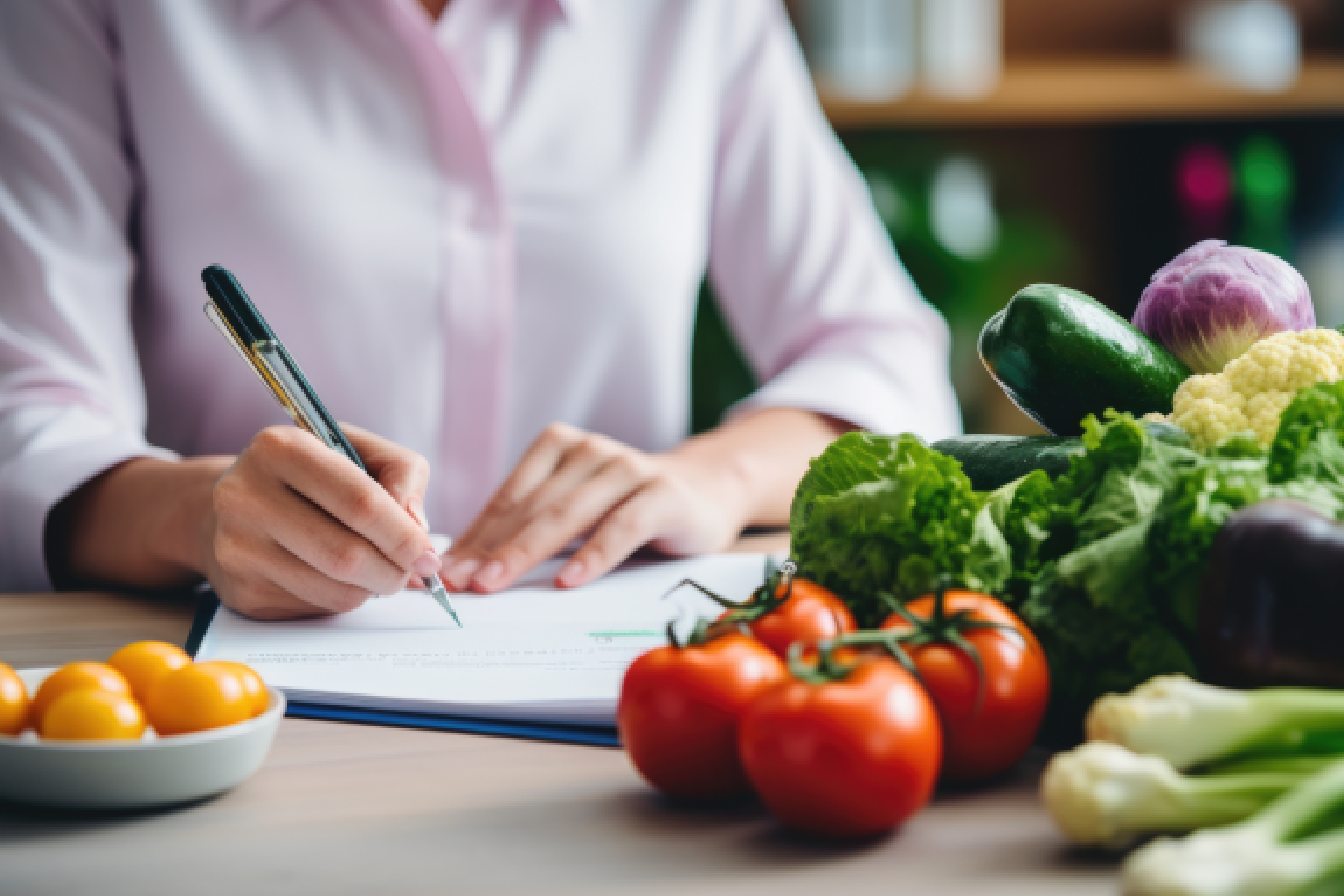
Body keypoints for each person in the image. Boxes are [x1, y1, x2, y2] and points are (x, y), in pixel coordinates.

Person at [0, 0, 959, 619]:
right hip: (230, 688)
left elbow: (885, 359)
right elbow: (25, 415)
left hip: (611, 693)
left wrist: (711, 477)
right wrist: (199, 515)